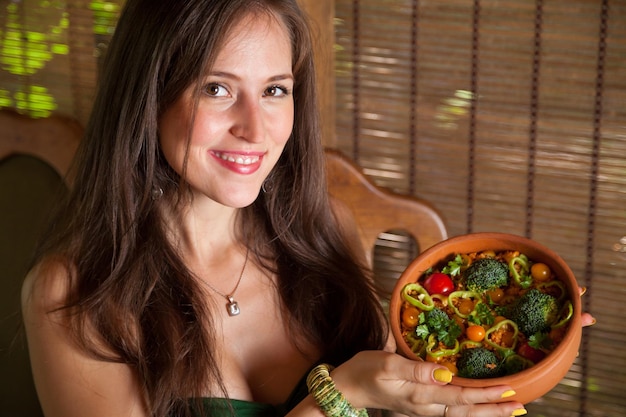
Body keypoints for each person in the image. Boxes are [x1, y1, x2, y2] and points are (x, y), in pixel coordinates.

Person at [20, 1, 594, 417]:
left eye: (275, 90)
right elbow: (357, 395)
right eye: (216, 88)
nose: (255, 130)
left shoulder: (326, 230)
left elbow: (398, 393)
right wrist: (343, 395)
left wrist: (510, 355)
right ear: (148, 95)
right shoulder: (73, 294)